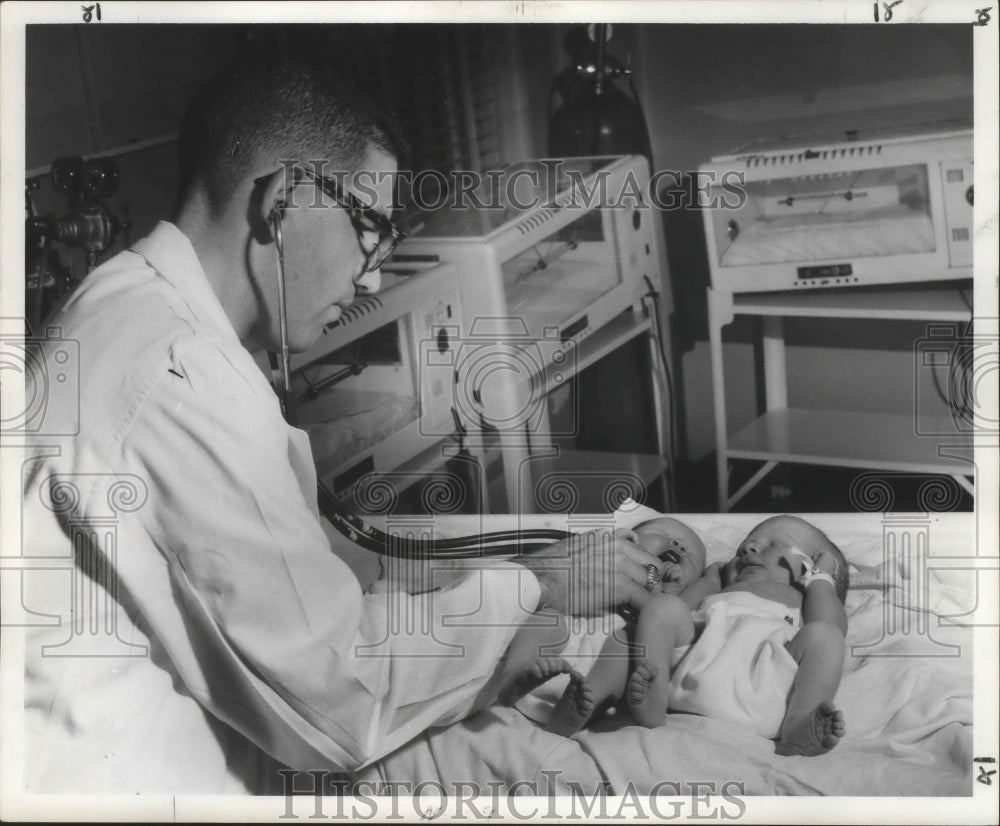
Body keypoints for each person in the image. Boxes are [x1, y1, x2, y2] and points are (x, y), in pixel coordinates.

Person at [19, 56, 662, 794]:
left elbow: (294, 576)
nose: (372, 279)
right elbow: (342, 702)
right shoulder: (178, 379)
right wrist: (535, 586)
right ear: (283, 201)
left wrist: (458, 575)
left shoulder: (123, 301)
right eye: (368, 228)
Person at [503, 515, 849, 757]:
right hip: (691, 665)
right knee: (661, 611)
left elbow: (832, 626)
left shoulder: (807, 598)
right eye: (746, 545)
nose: (749, 550)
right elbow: (672, 609)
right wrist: (708, 578)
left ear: (809, 568)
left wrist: (822, 581)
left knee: (826, 638)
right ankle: (649, 697)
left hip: (765, 672)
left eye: (774, 545)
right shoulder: (720, 583)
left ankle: (800, 725)